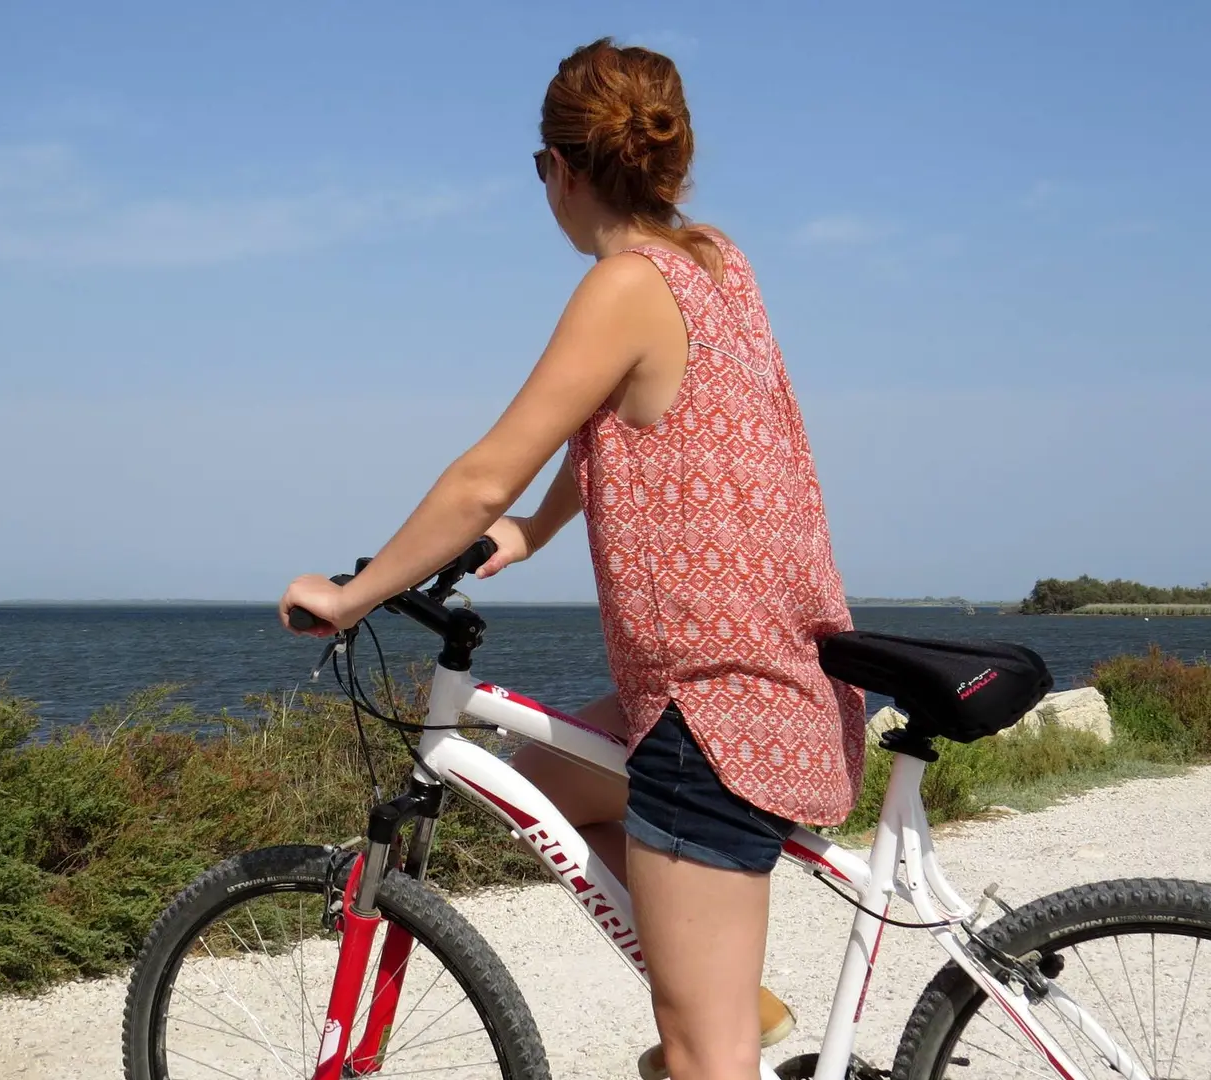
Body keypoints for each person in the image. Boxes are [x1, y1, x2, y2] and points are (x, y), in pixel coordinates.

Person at [279, 37, 864, 1080]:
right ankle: (736, 998)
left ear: (563, 168)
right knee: (546, 784)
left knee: (699, 1058)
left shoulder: (623, 288)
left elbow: (480, 477)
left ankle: (720, 1018)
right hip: (766, 675)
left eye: (537, 167)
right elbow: (640, 426)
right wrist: (536, 534)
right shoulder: (716, 260)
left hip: (714, 711)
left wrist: (353, 595)